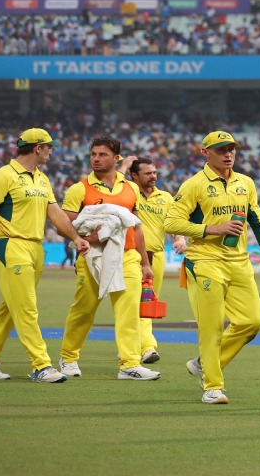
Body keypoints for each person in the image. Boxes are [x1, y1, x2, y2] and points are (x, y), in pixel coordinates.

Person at [164, 130, 260, 405]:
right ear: (206, 153)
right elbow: (171, 223)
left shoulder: (245, 183)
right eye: (221, 150)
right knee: (212, 326)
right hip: (204, 260)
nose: (228, 154)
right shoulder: (194, 185)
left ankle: (203, 363)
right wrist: (214, 229)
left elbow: (257, 218)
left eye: (231, 149)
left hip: (239, 262)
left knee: (251, 322)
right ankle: (212, 386)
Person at [0, 128, 84, 383]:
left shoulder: (42, 179)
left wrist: (76, 238)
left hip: (35, 247)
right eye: (49, 147)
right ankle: (41, 365)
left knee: (13, 306)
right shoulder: (3, 176)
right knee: (27, 308)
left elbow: (55, 214)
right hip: (10, 246)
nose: (51, 152)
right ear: (37, 148)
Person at [58, 137, 160, 381]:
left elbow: (136, 227)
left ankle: (129, 364)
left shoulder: (131, 188)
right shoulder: (79, 188)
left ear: (117, 159)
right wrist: (85, 237)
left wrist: (145, 263)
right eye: (93, 154)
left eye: (102, 154)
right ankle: (69, 357)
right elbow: (64, 223)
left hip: (126, 257)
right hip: (92, 256)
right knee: (85, 310)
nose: (96, 158)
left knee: (128, 311)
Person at [129, 156, 183, 364]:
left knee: (148, 302)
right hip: (132, 255)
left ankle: (133, 346)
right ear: (134, 175)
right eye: (148, 173)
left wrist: (179, 239)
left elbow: (174, 223)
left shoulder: (165, 197)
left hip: (156, 257)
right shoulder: (129, 193)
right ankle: (148, 347)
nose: (153, 177)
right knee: (135, 302)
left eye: (155, 173)